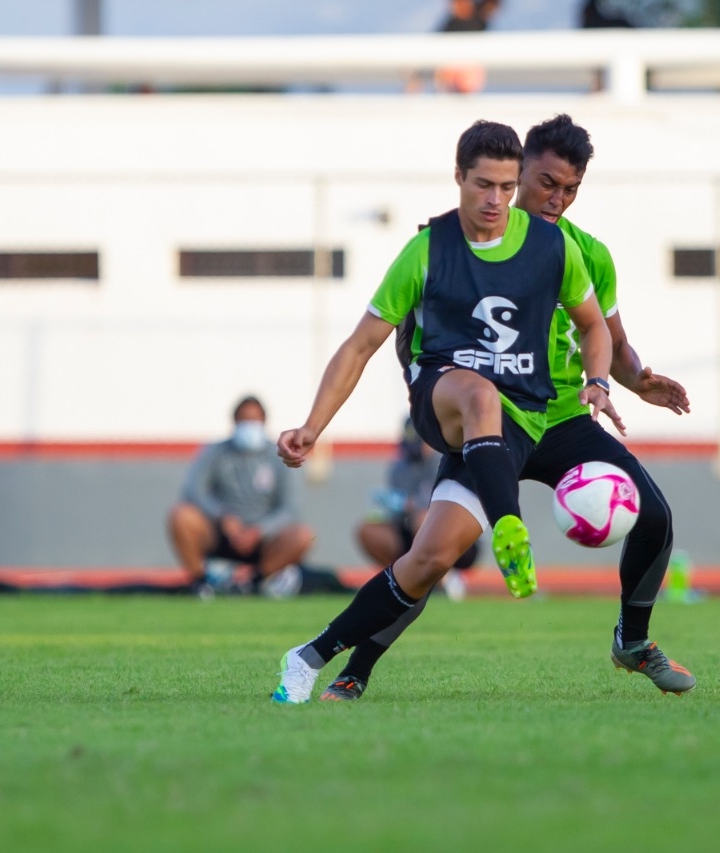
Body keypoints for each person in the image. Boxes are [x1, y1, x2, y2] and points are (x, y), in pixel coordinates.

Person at [318, 114, 696, 701]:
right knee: (433, 555)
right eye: (547, 182)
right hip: (491, 420)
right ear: (518, 174)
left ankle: (633, 639)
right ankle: (356, 666)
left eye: (571, 189)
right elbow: (411, 332)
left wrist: (634, 379)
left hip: (564, 416)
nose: (557, 199)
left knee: (656, 515)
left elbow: (610, 340)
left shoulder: (585, 254)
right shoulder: (458, 242)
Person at [271, 119, 618, 704]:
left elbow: (593, 327)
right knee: (480, 393)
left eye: (507, 188)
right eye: (483, 185)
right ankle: (511, 526)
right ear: (458, 177)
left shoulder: (552, 247)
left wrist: (600, 380)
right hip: (445, 398)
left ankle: (310, 657)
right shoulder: (427, 251)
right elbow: (359, 346)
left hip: (521, 424)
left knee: (429, 559)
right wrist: (312, 427)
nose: (495, 200)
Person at [167, 395, 315, 596]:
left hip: (264, 540)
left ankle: (255, 581)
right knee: (181, 516)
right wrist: (222, 517)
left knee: (302, 535)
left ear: (264, 421)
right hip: (221, 534)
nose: (250, 425)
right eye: (245, 419)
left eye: (254, 420)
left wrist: (260, 530)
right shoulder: (215, 452)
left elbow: (290, 508)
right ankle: (201, 584)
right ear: (235, 422)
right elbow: (194, 491)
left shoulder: (278, 455)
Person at [354, 417, 477, 600]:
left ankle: (443, 578)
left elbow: (441, 505)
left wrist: (410, 505)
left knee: (424, 519)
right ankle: (402, 580)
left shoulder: (445, 459)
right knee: (368, 530)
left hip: (449, 532)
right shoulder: (399, 467)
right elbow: (399, 511)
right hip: (408, 530)